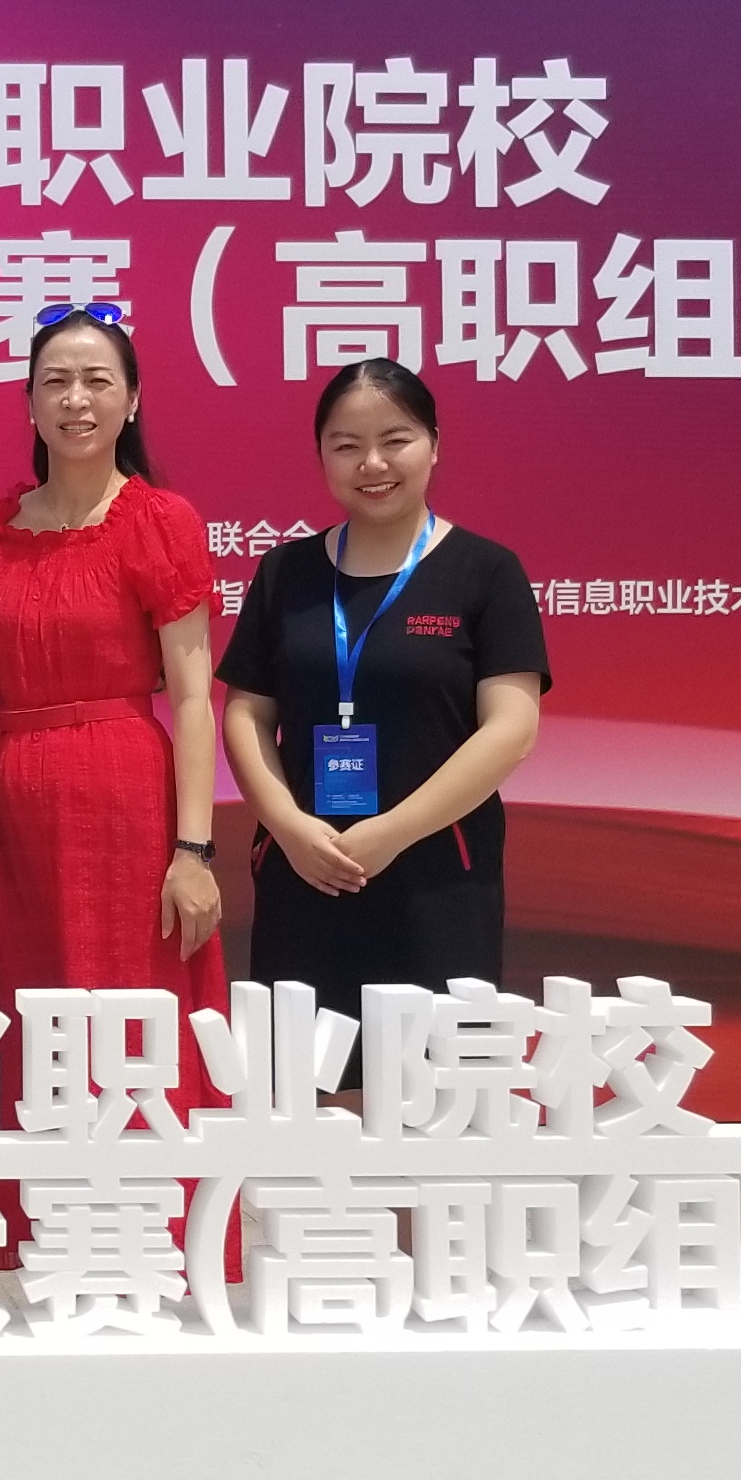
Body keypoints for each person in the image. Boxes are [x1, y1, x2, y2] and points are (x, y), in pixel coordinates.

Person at [218, 359, 548, 1074]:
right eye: (346, 445)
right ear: (322, 455)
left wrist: (391, 832)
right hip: (308, 868)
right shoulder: (286, 574)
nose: (372, 464)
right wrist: (288, 826)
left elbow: (511, 728)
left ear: (434, 444)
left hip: (437, 871)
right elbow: (245, 712)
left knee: (436, 1088)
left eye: (395, 440)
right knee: (304, 1084)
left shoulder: (486, 572)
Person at [0, 304, 228, 1146]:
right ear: (30, 403)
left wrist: (193, 851)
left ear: (132, 400)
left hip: (123, 802)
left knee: (123, 1005)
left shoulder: (160, 521)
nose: (76, 400)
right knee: (15, 1006)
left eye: (98, 381)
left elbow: (192, 698)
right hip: (4, 804)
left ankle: (141, 1201)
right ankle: (18, 1203)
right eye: (56, 383)